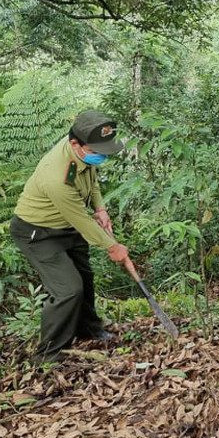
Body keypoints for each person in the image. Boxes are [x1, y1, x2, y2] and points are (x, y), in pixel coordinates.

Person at [10, 110, 130, 363]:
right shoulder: (56, 176)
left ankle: (89, 329)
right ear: (75, 143)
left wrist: (100, 208)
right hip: (38, 232)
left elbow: (91, 179)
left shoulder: (82, 155)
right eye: (98, 150)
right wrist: (112, 246)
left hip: (67, 226)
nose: (103, 155)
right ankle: (47, 355)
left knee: (84, 278)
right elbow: (81, 220)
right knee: (68, 290)